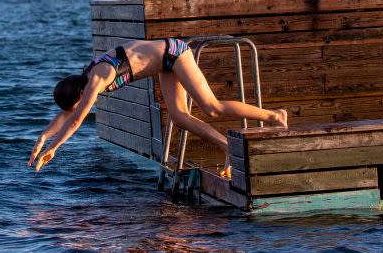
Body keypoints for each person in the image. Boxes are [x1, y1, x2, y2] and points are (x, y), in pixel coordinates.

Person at [29, 38, 287, 176]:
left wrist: (55, 148)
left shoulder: (97, 78)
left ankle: (274, 116)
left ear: (81, 93)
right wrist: (43, 136)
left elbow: (75, 120)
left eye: (80, 102)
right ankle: (227, 146)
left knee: (212, 107)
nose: (81, 105)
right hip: (164, 63)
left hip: (174, 53)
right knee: (179, 116)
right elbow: (67, 114)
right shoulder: (85, 79)